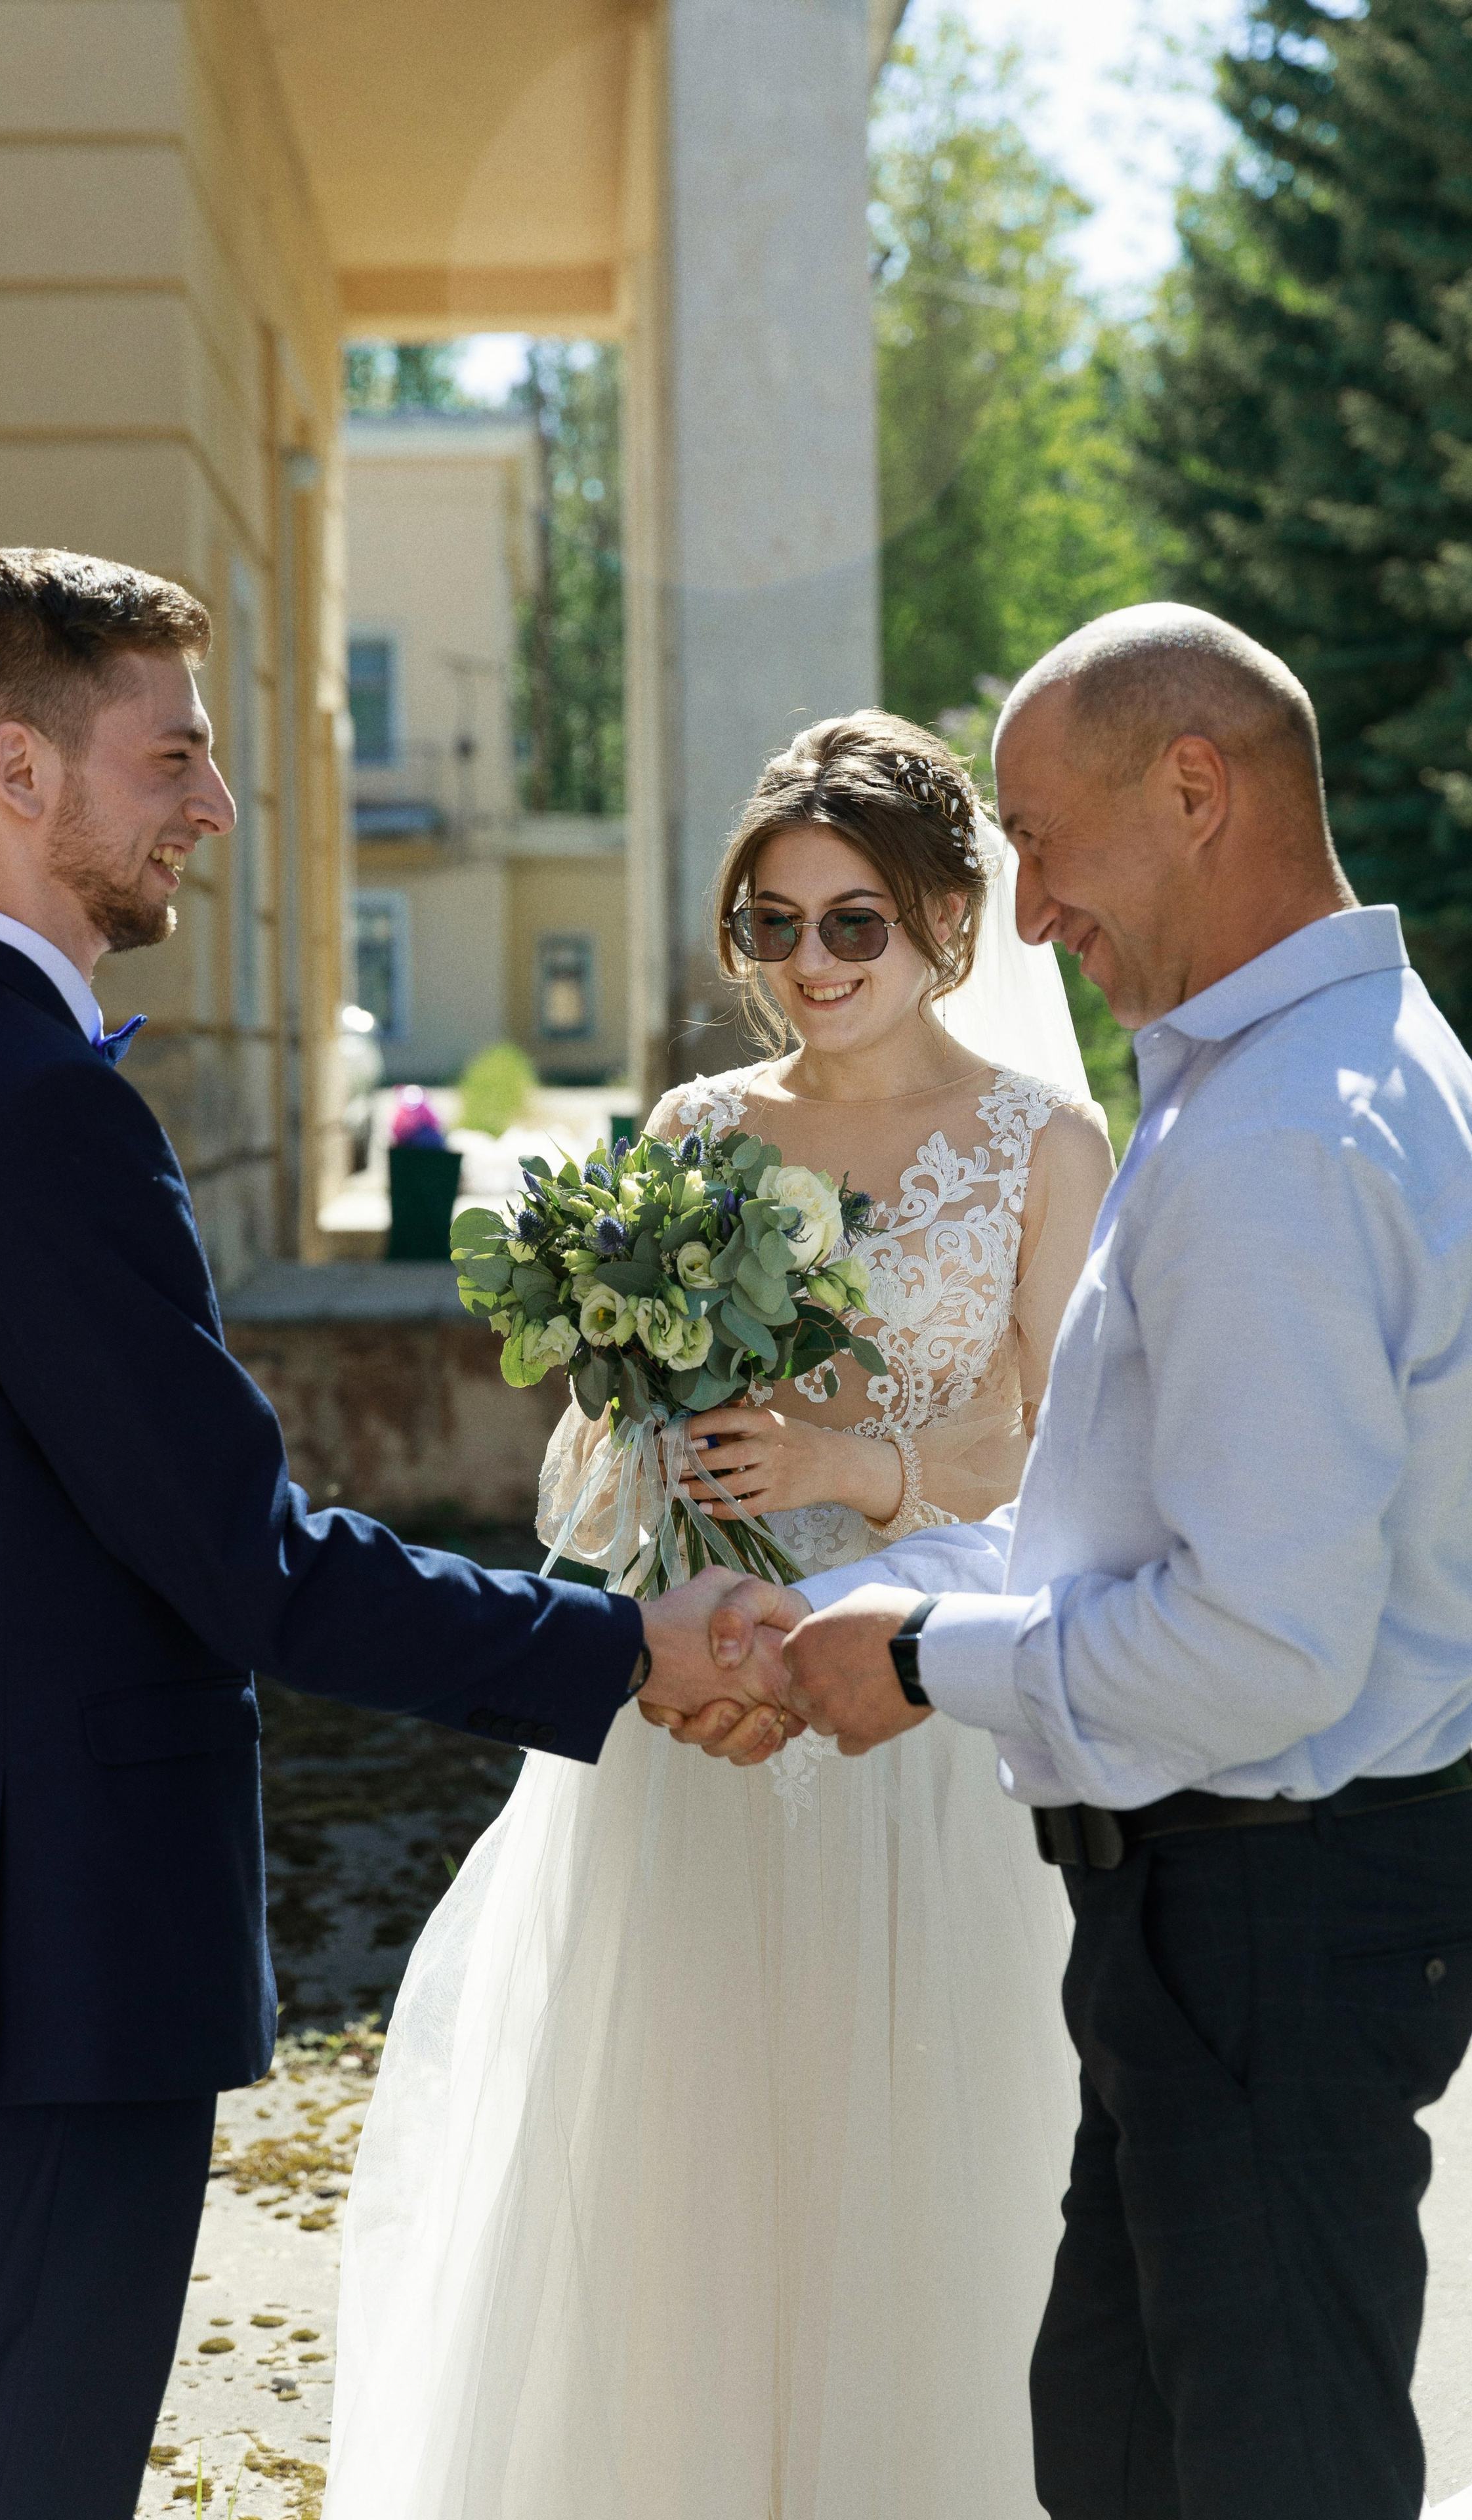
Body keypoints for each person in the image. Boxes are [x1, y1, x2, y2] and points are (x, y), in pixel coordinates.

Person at [0, 547, 782, 2520]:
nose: (217, 805)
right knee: (1, 2478)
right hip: (69, 1949)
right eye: (171, 755)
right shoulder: (45, 1117)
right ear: (16, 772)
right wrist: (616, 1645)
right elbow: (251, 1561)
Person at [722, 607, 1472, 2520]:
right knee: (1125, 2455)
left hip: (1270, 1914)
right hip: (1235, 1923)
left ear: (1195, 789)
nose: (1034, 914)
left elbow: (1262, 1646)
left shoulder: (1284, 1138)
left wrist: (920, 1663)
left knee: (1263, 2472)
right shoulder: (1293, 1070)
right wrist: (876, 1600)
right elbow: (1119, 1516)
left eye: (1046, 843)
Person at [329, 710, 1115, 2519]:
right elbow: (607, 1463)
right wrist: (670, 1537)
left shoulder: (1043, 1144)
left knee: (910, 2168)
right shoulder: (693, 1132)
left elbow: (1084, 1468)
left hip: (919, 1719)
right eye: (774, 923)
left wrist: (860, 1468)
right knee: (686, 2160)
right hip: (703, 1710)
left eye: (853, 921)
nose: (811, 962)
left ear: (947, 919)